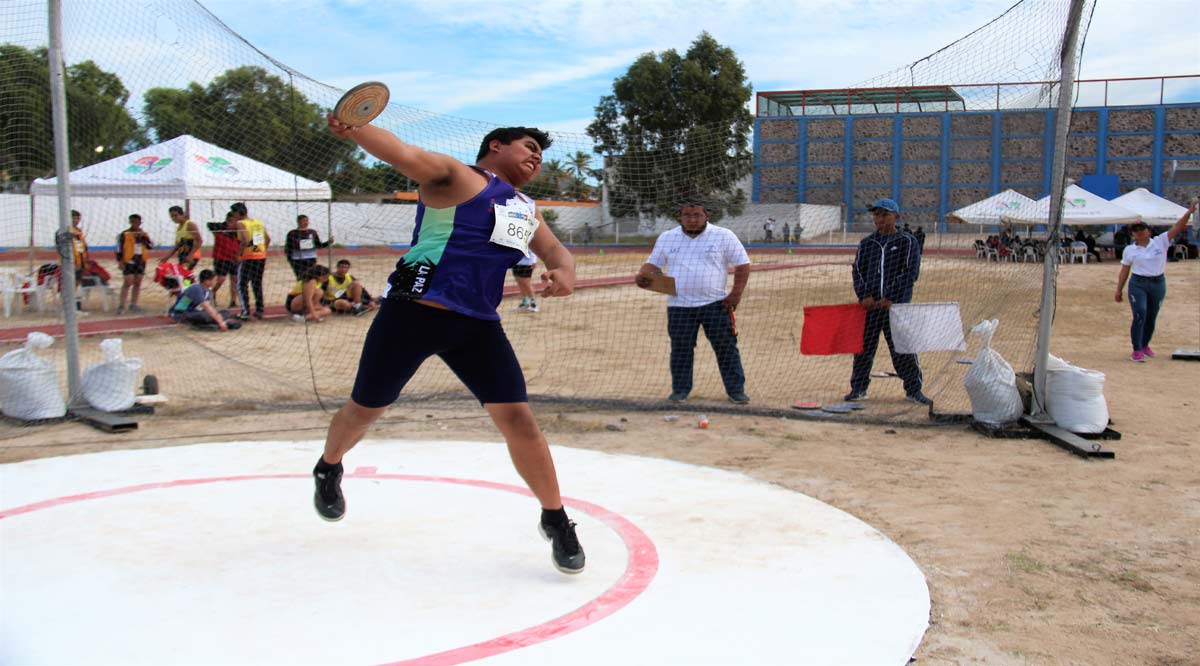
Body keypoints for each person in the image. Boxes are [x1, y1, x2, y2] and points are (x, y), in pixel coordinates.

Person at [315, 116, 585, 575]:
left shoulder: (524, 207)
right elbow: (403, 154)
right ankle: (329, 467)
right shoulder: (459, 177)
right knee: (365, 408)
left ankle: (556, 519)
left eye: (541, 153)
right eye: (528, 146)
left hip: (478, 325)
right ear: (495, 147)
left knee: (520, 421)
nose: (536, 156)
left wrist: (565, 272)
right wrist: (356, 129)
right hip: (414, 313)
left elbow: (556, 251)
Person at [636, 201, 751, 404]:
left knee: (726, 347)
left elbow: (743, 265)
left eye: (697, 215)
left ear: (707, 215)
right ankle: (680, 391)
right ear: (679, 217)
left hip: (716, 304)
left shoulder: (724, 235)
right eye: (687, 215)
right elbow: (653, 264)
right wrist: (644, 274)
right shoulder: (667, 238)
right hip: (679, 306)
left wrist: (736, 294)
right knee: (681, 350)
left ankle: (736, 391)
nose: (692, 219)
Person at [845, 198, 932, 406]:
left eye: (884, 214)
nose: (879, 219)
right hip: (870, 308)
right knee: (863, 349)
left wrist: (891, 297)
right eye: (876, 215)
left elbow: (910, 273)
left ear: (897, 216)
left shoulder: (907, 241)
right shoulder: (867, 243)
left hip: (896, 308)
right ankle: (858, 389)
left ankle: (913, 390)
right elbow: (858, 271)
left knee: (903, 349)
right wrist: (864, 295)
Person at [1114, 202, 1197, 362]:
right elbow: (1124, 270)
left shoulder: (1160, 241)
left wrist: (1190, 212)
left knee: (1151, 316)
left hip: (1157, 282)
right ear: (1132, 234)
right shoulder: (1130, 250)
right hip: (1138, 283)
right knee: (1140, 313)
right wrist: (1119, 290)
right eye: (1135, 231)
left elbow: (1178, 227)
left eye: (1141, 230)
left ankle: (1145, 344)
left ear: (1148, 231)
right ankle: (1136, 349)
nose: (1139, 233)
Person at [232, 202, 270, 320]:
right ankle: (259, 309)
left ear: (238, 213)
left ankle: (245, 311)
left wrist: (239, 254)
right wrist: (262, 250)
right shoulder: (257, 222)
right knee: (256, 283)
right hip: (260, 256)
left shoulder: (241, 223)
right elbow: (267, 239)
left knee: (241, 284)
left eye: (234, 213)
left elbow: (244, 239)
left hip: (248, 257)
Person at [171, 269, 240, 331]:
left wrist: (217, 316)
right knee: (204, 315)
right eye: (214, 280)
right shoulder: (196, 289)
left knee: (226, 312)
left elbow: (212, 308)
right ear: (207, 281)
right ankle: (218, 324)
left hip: (195, 312)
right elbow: (207, 307)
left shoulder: (208, 291)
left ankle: (215, 323)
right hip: (181, 313)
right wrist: (220, 321)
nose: (216, 282)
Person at [114, 214, 154, 315]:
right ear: (130, 222)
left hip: (140, 261)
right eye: (133, 222)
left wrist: (143, 237)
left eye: (137, 222)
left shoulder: (144, 235)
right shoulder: (124, 234)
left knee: (138, 282)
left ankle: (133, 304)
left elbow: (150, 246)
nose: (135, 224)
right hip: (128, 261)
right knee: (128, 282)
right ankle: (122, 305)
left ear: (140, 222)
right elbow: (118, 249)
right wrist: (120, 261)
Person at [207, 212, 242, 310]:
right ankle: (212, 292)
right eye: (229, 221)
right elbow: (209, 225)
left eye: (234, 221)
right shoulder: (219, 231)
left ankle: (233, 301)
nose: (232, 223)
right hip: (221, 258)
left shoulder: (238, 233)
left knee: (235, 280)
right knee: (221, 279)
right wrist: (224, 226)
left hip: (234, 258)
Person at [285, 214, 333, 279]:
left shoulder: (312, 232)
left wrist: (328, 242)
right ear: (298, 222)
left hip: (310, 258)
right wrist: (290, 259)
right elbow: (288, 247)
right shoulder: (292, 233)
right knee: (300, 277)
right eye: (304, 221)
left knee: (311, 277)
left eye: (307, 221)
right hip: (297, 259)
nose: (306, 222)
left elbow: (318, 245)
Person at [161, 206, 203, 271]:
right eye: (172, 216)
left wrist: (190, 255)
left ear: (182, 214)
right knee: (184, 276)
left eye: (175, 215)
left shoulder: (190, 225)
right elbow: (177, 245)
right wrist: (166, 257)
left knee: (185, 276)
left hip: (191, 255)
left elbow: (199, 241)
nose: (174, 218)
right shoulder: (179, 228)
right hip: (183, 254)